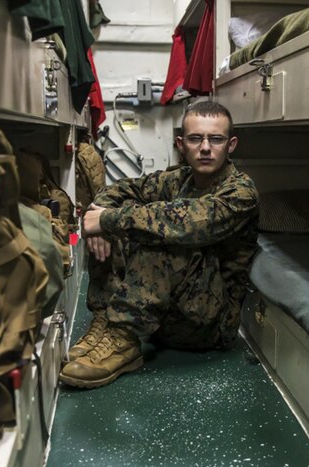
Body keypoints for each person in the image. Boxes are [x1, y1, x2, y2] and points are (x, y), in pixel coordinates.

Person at [59, 101, 259, 388]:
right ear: (181, 144)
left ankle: (123, 340)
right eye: (195, 138)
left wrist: (108, 220)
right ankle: (106, 321)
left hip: (209, 324)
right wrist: (98, 216)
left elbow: (189, 223)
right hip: (168, 315)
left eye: (216, 139)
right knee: (117, 219)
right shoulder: (178, 179)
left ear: (231, 145)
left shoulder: (241, 192)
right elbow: (121, 189)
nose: (205, 147)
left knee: (159, 231)